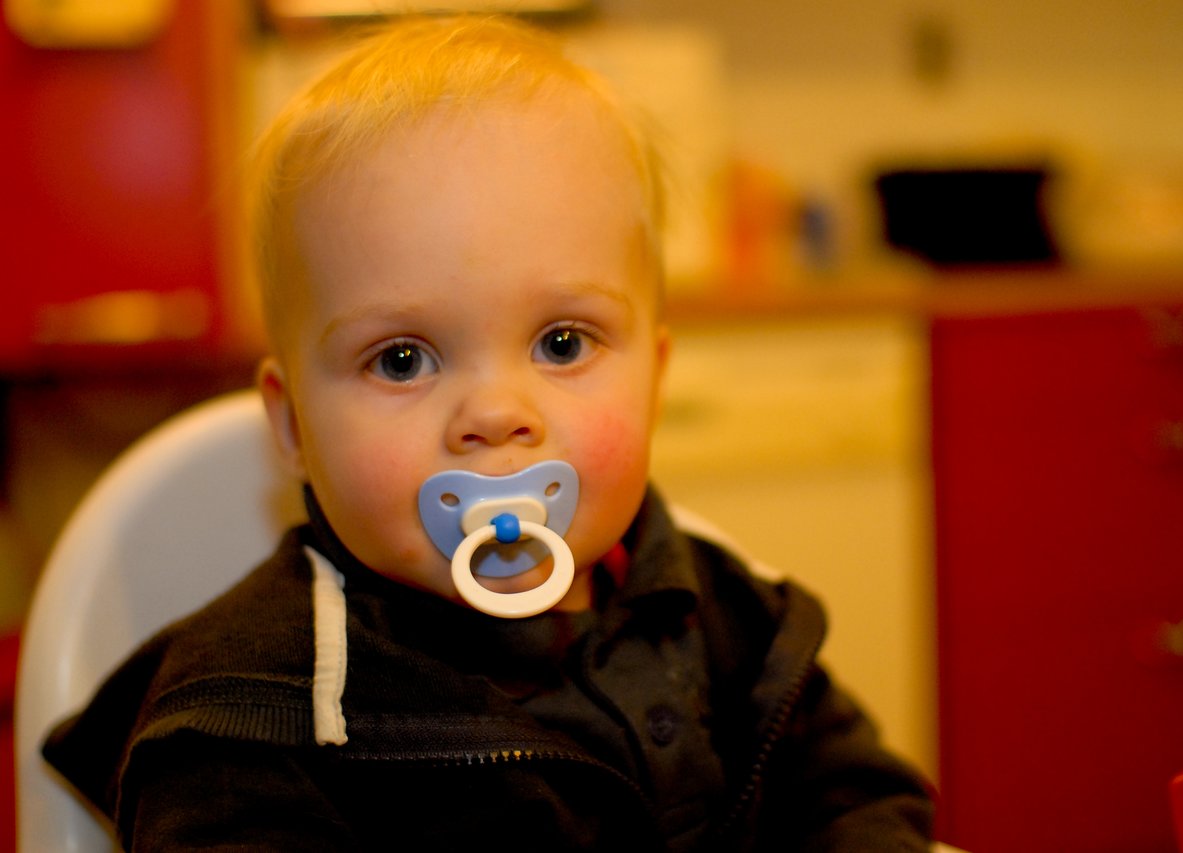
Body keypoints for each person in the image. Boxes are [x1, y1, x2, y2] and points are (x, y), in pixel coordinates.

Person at [42, 15, 935, 851]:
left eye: (561, 342)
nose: (495, 414)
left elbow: (858, 799)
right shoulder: (251, 721)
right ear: (293, 424)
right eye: (401, 359)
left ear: (656, 379)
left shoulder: (729, 613)